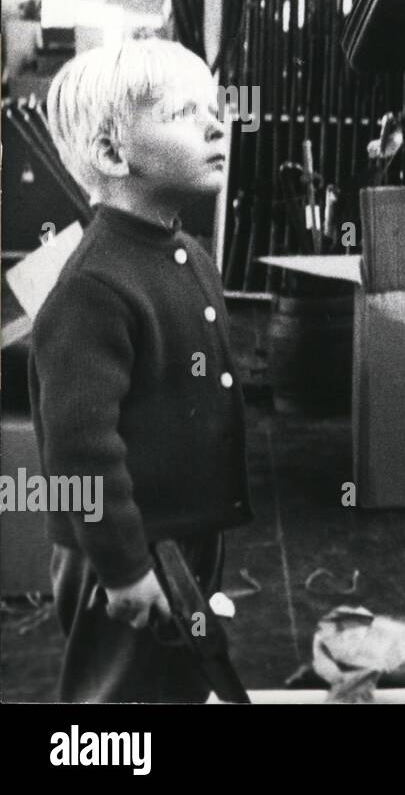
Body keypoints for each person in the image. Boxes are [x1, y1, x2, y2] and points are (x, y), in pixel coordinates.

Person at [29, 38, 251, 702]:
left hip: (186, 535)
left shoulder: (189, 255)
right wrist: (123, 570)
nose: (217, 125)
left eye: (215, 110)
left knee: (175, 682)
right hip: (125, 549)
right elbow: (78, 450)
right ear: (111, 153)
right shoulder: (94, 287)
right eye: (186, 114)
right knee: (117, 701)